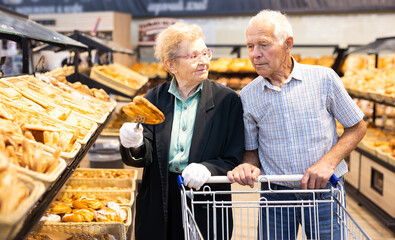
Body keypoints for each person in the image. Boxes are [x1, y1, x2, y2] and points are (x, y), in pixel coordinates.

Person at [227, 10, 367, 239]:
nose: (255, 54)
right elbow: (252, 152)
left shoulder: (324, 79)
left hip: (323, 191)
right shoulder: (248, 96)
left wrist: (328, 163)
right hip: (275, 196)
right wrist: (247, 166)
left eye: (263, 44)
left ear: (287, 44)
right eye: (250, 46)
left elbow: (357, 126)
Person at [119, 22, 244, 240]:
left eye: (205, 53)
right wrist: (135, 143)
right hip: (160, 195)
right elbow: (143, 157)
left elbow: (233, 158)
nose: (204, 61)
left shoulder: (227, 101)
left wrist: (208, 169)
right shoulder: (153, 100)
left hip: (205, 196)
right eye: (194, 55)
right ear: (171, 65)